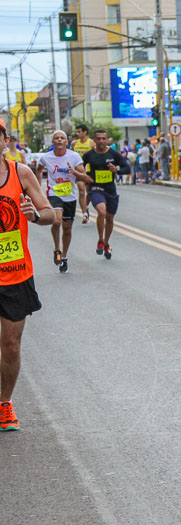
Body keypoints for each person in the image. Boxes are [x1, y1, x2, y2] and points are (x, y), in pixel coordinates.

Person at [0, 119, 56, 429]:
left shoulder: (21, 173)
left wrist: (34, 215)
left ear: (6, 140)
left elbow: (50, 214)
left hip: (15, 273)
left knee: (10, 344)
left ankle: (4, 403)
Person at [36, 130, 89, 273]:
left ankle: (64, 256)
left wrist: (76, 172)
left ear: (66, 142)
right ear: (53, 142)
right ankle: (57, 249)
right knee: (57, 221)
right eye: (56, 138)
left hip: (70, 196)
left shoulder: (74, 156)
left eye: (62, 138)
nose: (59, 140)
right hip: (54, 193)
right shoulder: (46, 157)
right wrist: (38, 185)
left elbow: (83, 174)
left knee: (67, 228)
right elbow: (39, 169)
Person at [81, 129, 129, 260]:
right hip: (96, 188)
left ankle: (106, 242)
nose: (101, 141)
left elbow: (127, 168)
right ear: (94, 140)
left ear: (107, 140)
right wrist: (85, 176)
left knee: (109, 218)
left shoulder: (114, 154)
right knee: (101, 212)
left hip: (110, 190)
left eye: (103, 138)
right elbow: (80, 167)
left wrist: (117, 169)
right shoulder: (89, 155)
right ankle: (100, 240)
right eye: (98, 139)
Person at [71, 124, 93, 224]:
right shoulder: (74, 143)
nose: (77, 134)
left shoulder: (91, 143)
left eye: (79, 131)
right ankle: (84, 213)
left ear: (85, 132)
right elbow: (70, 156)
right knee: (81, 191)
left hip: (89, 170)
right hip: (79, 171)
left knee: (90, 193)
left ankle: (86, 206)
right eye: (77, 132)